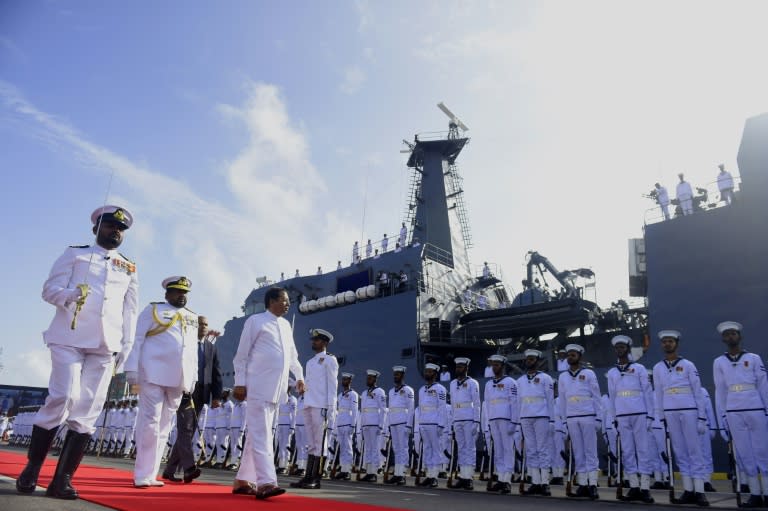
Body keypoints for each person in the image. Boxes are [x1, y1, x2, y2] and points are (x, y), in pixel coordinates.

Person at [16, 205, 138, 500]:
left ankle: (62, 480)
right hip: (68, 337)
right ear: (96, 227)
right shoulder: (75, 254)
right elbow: (49, 290)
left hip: (105, 345)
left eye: (120, 228)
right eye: (110, 226)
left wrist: (126, 346)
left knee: (87, 411)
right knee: (64, 396)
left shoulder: (129, 267)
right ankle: (32, 468)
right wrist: (70, 295)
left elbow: (130, 310)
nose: (115, 231)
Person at [231, 287, 305, 500]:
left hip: (276, 390)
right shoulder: (255, 321)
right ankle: (266, 483)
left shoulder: (285, 325)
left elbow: (292, 356)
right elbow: (241, 356)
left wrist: (300, 376)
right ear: (272, 301)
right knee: (262, 435)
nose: (288, 303)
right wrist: (239, 383)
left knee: (258, 436)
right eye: (284, 300)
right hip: (257, 387)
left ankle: (242, 480)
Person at [125, 276, 198, 488]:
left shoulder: (192, 317)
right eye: (177, 292)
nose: (181, 296)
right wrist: (131, 369)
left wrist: (192, 378)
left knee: (165, 426)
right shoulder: (153, 310)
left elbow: (191, 352)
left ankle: (151, 474)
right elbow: (136, 339)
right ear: (167, 293)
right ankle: (142, 474)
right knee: (150, 422)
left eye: (184, 293)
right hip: (152, 374)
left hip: (178, 378)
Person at [713, 321, 768, 508]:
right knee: (744, 453)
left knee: (762, 451)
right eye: (727, 334)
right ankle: (755, 494)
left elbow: (763, 385)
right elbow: (720, 391)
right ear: (723, 339)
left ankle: (767, 492)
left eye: (733, 334)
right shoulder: (719, 362)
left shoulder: (753, 358)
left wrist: (767, 411)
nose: (730, 337)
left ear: (739, 336)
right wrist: (722, 417)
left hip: (755, 408)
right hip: (733, 411)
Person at [653, 330, 709, 506]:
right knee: (680, 451)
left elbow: (697, 391)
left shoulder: (688, 365)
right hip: (670, 412)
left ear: (676, 343)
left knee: (694, 450)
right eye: (664, 342)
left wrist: (701, 417)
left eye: (670, 341)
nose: (667, 344)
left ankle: (699, 490)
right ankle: (688, 489)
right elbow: (659, 395)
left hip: (689, 410)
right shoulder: (658, 368)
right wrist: (661, 417)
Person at [164, 316, 221, 481]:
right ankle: (189, 468)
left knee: (189, 432)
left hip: (201, 394)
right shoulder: (185, 343)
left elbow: (216, 373)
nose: (203, 327)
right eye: (200, 324)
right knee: (185, 430)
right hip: (184, 391)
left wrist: (216, 396)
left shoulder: (211, 348)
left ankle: (169, 470)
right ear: (194, 326)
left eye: (205, 324)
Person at [606, 335, 655, 503]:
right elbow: (612, 398)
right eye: (617, 347)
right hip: (622, 415)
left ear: (628, 348)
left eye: (622, 347)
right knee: (627, 452)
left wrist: (650, 415)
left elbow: (647, 392)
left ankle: (645, 487)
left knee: (642, 450)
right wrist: (614, 419)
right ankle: (634, 486)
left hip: (639, 413)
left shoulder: (639, 368)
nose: (620, 349)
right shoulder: (612, 372)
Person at [291, 328, 338, 490]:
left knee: (319, 443)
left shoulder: (330, 360)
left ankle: (316, 479)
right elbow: (309, 385)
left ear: (324, 343)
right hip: (309, 405)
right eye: (313, 340)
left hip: (321, 406)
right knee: (310, 443)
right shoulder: (310, 362)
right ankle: (307, 477)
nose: (313, 342)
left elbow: (333, 385)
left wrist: (331, 408)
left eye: (317, 340)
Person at [558, 344, 602, 500]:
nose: (570, 357)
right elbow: (562, 400)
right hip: (571, 417)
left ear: (580, 356)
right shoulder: (563, 376)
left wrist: (598, 417)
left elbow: (596, 396)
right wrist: (563, 421)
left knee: (590, 451)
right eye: (569, 354)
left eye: (573, 354)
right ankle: (583, 484)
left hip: (588, 415)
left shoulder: (588, 373)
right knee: (578, 452)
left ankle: (593, 484)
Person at [517, 349, 555, 496]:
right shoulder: (520, 381)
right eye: (528, 359)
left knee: (542, 449)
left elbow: (550, 400)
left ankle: (545, 482)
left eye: (532, 359)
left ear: (538, 361)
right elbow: (518, 403)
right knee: (531, 450)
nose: (529, 361)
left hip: (541, 417)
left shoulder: (546, 378)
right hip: (525, 417)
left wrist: (552, 420)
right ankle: (535, 482)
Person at [483, 354, 519, 494]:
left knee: (507, 449)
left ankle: (507, 480)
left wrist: (514, 421)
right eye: (493, 365)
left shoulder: (510, 382)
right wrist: (488, 422)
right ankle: (500, 478)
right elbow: (487, 404)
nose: (494, 367)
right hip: (493, 420)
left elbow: (514, 403)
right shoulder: (488, 384)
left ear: (503, 366)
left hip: (506, 419)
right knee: (498, 450)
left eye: (497, 365)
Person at [449, 357, 481, 490]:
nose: (458, 369)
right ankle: (463, 476)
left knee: (470, 448)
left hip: (469, 419)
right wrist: (452, 421)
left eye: (461, 367)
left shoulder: (473, 383)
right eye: (457, 367)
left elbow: (477, 403)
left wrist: (476, 421)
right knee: (461, 449)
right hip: (457, 419)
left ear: (466, 368)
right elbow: (452, 404)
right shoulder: (452, 384)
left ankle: (469, 477)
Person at [417, 363, 448, 487]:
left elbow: (442, 407)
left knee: (435, 450)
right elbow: (420, 408)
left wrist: (441, 425)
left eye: (430, 372)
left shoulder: (440, 389)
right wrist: (419, 423)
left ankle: (434, 476)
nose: (427, 374)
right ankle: (429, 475)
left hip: (434, 423)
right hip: (424, 423)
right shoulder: (421, 389)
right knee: (427, 450)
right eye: (426, 371)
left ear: (435, 374)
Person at [384, 366, 414, 485]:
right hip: (393, 423)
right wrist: (389, 425)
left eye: (398, 374)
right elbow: (390, 409)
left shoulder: (408, 390)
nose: (395, 376)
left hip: (403, 422)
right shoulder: (391, 391)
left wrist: (409, 425)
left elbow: (411, 409)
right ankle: (397, 473)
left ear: (402, 376)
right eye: (395, 374)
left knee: (403, 448)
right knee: (396, 449)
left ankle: (402, 474)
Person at [358, 369, 387, 482]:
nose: (368, 380)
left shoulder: (380, 392)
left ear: (375, 379)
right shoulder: (364, 393)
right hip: (366, 423)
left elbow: (383, 409)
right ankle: (369, 471)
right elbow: (363, 410)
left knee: (374, 448)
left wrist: (381, 425)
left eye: (370, 378)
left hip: (375, 423)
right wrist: (361, 424)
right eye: (367, 378)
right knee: (368, 449)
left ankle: (374, 472)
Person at [332, 373, 359, 480]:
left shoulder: (353, 394)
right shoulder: (340, 395)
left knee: (347, 447)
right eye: (343, 379)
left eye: (346, 380)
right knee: (342, 447)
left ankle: (347, 470)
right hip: (340, 423)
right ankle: (343, 469)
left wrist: (353, 425)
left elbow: (355, 410)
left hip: (348, 422)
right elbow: (338, 411)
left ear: (350, 381)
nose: (344, 381)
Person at [275, 385, 297, 475]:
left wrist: (292, 427)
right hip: (280, 423)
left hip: (287, 424)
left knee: (286, 445)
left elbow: (294, 414)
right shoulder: (280, 398)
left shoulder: (292, 399)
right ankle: (281, 465)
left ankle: (285, 465)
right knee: (280, 445)